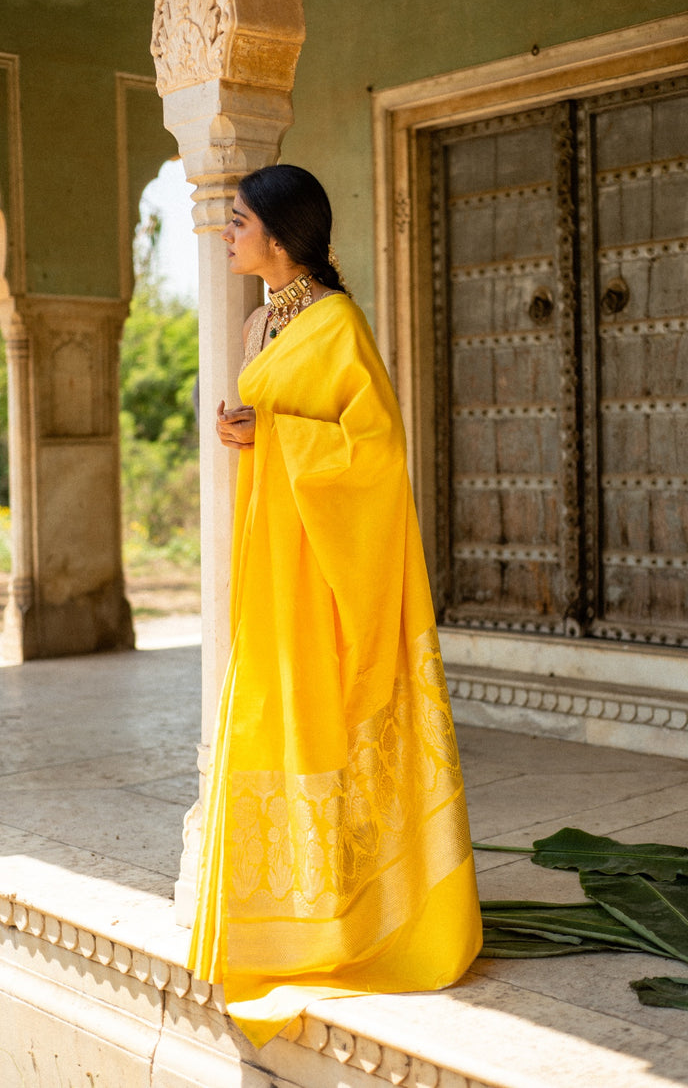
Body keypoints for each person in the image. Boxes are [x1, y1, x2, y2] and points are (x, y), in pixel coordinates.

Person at [188, 164, 482, 1049]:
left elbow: (377, 456)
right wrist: (247, 432)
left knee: (328, 721)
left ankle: (359, 919)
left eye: (236, 221)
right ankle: (288, 911)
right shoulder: (259, 322)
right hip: (275, 562)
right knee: (273, 721)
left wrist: (270, 431)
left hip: (325, 572)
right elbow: (273, 425)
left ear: (278, 236)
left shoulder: (338, 325)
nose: (225, 234)